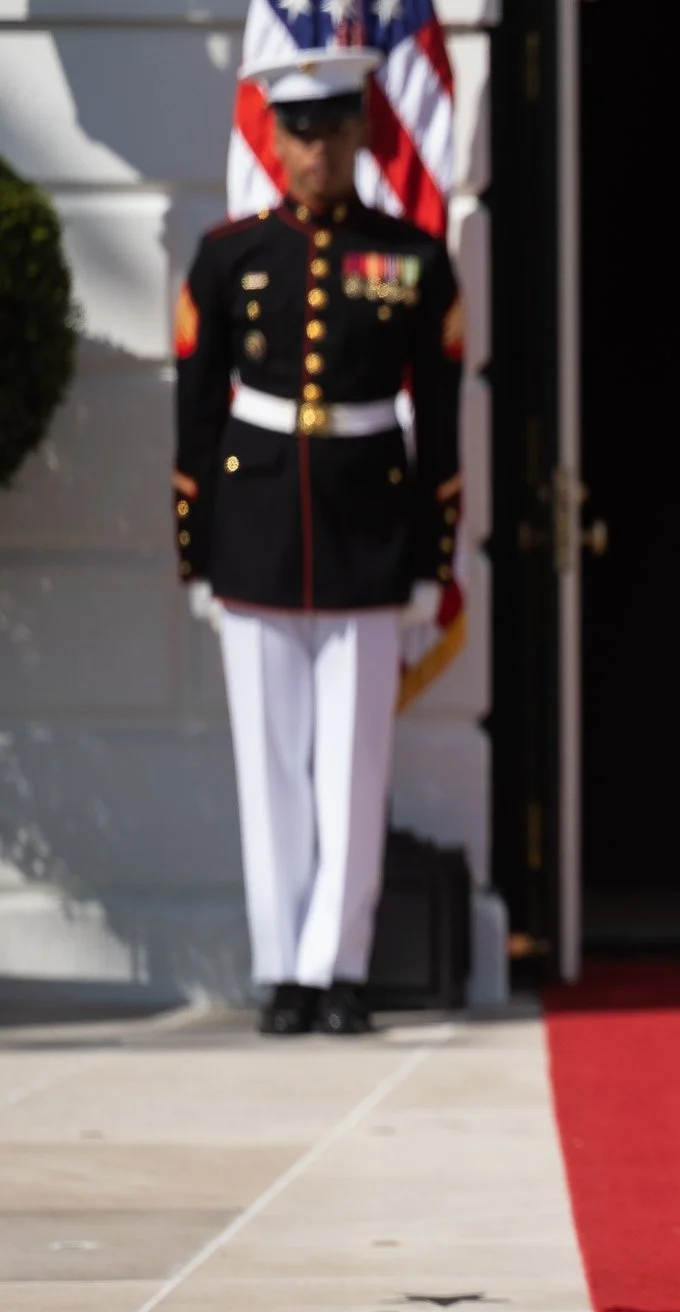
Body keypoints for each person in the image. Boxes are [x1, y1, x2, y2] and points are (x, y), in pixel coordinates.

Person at [173, 45, 462, 1037]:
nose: (319, 148)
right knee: (270, 764)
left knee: (351, 762)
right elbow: (197, 417)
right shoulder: (228, 255)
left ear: (360, 134)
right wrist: (195, 550)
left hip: (370, 531)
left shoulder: (414, 258)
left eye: (336, 127)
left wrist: (434, 556)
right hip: (254, 532)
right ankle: (281, 971)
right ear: (276, 139)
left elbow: (445, 421)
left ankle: (338, 968)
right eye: (300, 130)